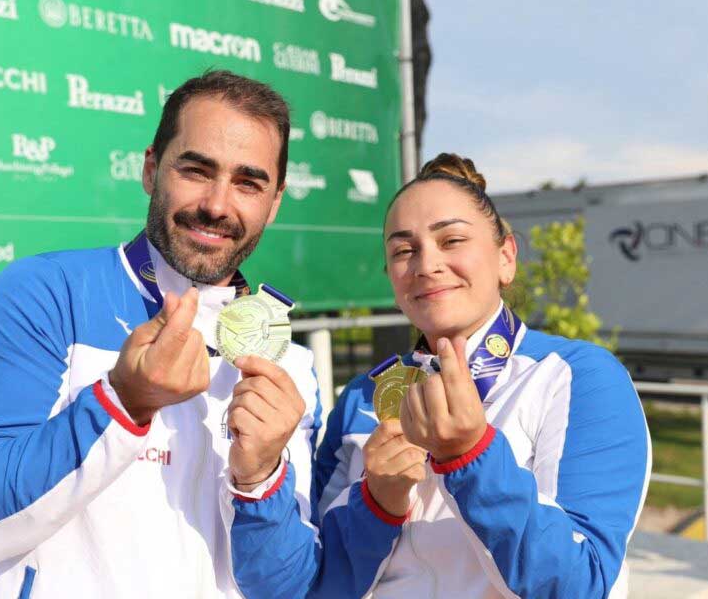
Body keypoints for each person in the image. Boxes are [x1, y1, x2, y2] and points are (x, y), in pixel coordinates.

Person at [0, 70, 322, 598]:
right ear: (151, 168)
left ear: (273, 203)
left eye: (248, 183)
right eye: (197, 170)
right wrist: (122, 403)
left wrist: (261, 481)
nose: (218, 205)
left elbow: (285, 588)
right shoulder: (43, 294)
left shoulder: (289, 365)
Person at [241, 153, 650, 598]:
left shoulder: (578, 377)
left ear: (506, 257)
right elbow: (319, 587)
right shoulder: (363, 397)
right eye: (403, 250)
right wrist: (376, 505)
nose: (426, 265)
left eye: (451, 240)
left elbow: (579, 585)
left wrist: (469, 455)